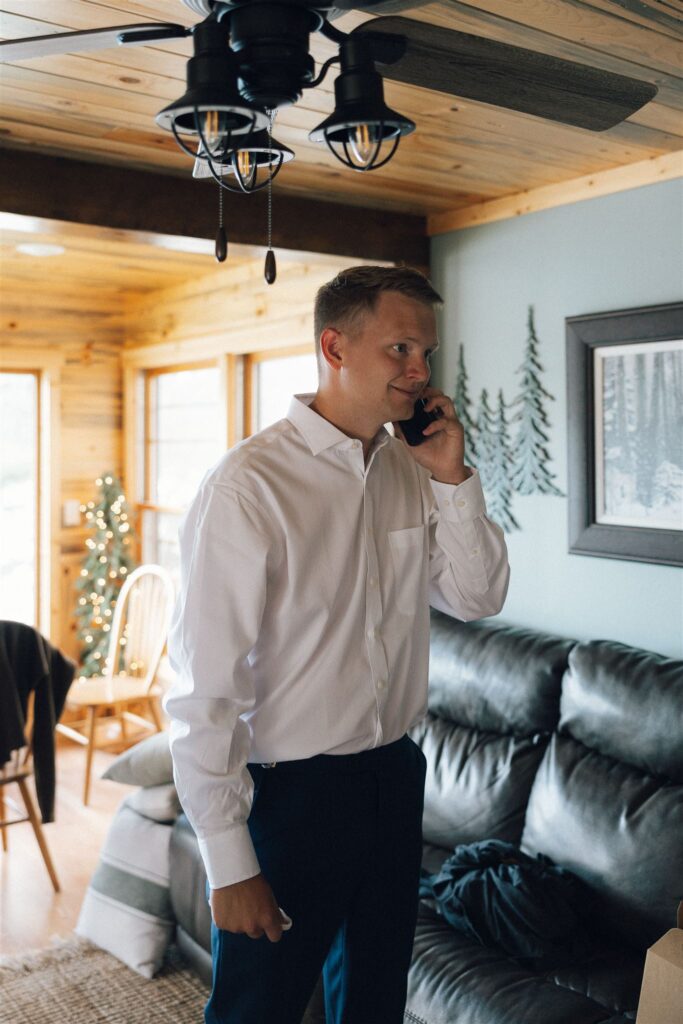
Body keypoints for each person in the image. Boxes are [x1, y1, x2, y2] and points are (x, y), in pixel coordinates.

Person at [165, 265, 510, 1024]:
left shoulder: (409, 470)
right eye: (399, 350)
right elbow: (201, 690)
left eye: (425, 352)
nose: (419, 371)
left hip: (392, 776)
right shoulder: (247, 487)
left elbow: (477, 597)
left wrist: (452, 478)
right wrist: (229, 861)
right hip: (290, 796)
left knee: (374, 1003)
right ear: (334, 346)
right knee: (259, 1008)